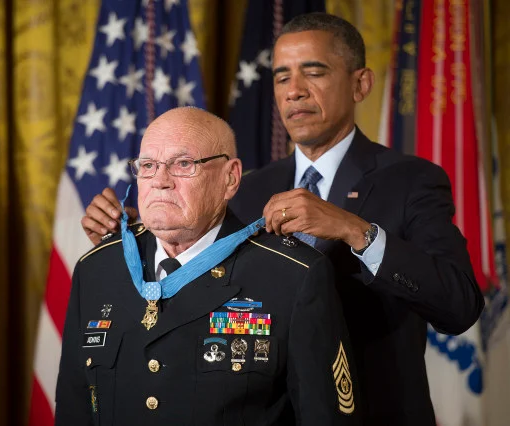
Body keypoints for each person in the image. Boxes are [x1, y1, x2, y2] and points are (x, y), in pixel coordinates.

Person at [80, 13, 484, 426]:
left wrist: (354, 230)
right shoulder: (249, 188)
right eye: (281, 77)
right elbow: (195, 279)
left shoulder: (411, 180)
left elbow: (460, 306)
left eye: (314, 72)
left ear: (361, 83)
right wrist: (140, 230)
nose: (294, 92)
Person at [56, 107, 362, 425]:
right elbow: (73, 408)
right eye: (147, 166)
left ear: (230, 178)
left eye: (183, 164)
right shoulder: (97, 268)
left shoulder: (292, 275)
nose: (160, 181)